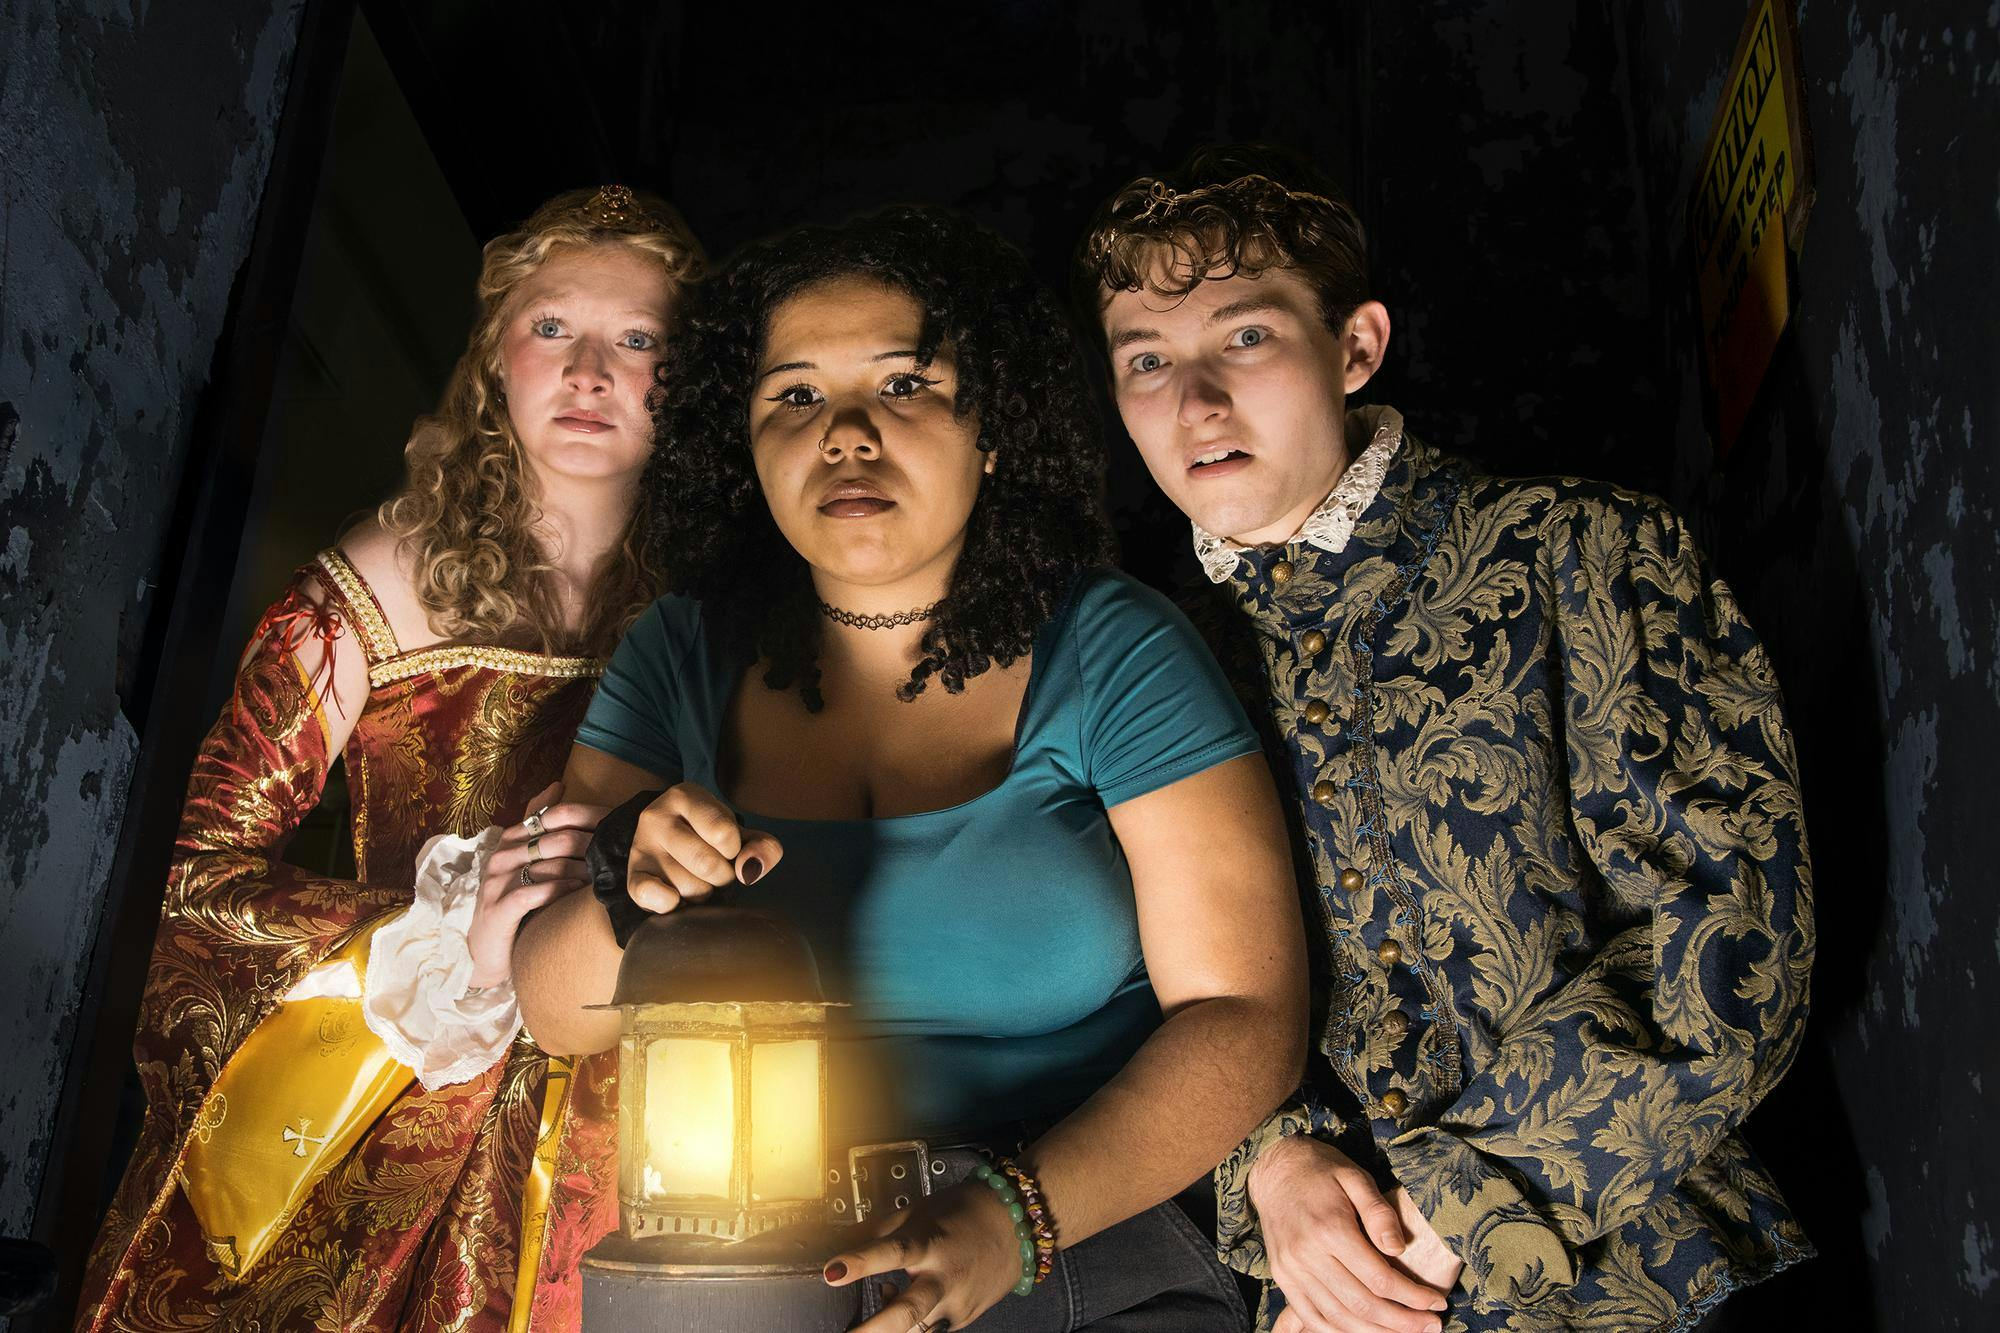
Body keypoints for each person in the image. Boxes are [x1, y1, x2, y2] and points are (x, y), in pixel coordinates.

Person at [510, 206, 1309, 1331]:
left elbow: (1244, 1014)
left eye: (904, 387)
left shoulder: (1111, 647)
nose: (845, 435)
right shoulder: (680, 650)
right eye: (793, 397)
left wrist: (1011, 1219)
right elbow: (556, 1013)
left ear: (991, 431)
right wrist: (622, 890)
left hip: (1076, 1242)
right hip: (743, 1265)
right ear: (743, 441)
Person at [1070, 144, 1816, 1333]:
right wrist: (1271, 1164)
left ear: (1354, 346)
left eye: (1244, 338)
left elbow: (1730, 942)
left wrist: (1457, 1201)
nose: (1193, 403)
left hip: (1650, 1273)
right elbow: (1148, 991)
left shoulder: (1578, 550)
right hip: (1315, 1303)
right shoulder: (1133, 666)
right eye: (1147, 362)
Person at [78, 185, 703, 1333]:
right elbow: (193, 873)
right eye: (554, 328)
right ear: (495, 357)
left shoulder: (723, 612)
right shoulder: (373, 582)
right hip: (402, 1116)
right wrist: (441, 946)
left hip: (663, 1128)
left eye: (639, 339)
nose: (588, 372)